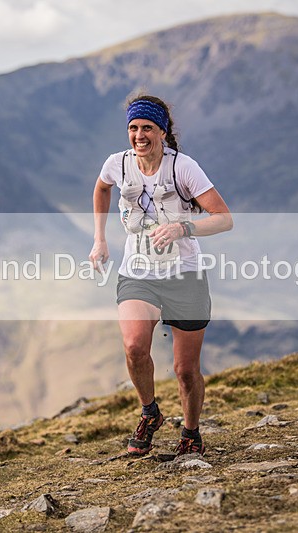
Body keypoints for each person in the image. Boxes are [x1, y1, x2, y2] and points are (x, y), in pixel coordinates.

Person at [89, 95, 232, 456]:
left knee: (185, 370)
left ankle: (190, 433)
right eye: (133, 128)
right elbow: (102, 187)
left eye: (147, 128)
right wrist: (100, 239)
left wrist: (183, 228)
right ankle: (150, 412)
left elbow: (223, 218)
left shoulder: (183, 168)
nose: (139, 135)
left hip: (184, 274)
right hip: (138, 272)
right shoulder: (117, 164)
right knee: (135, 347)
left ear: (162, 132)